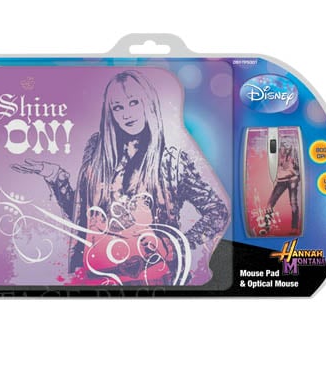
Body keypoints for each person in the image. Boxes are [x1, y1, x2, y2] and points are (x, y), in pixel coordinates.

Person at [12, 70, 230, 286]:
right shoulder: (97, 153)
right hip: (95, 279)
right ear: (110, 113)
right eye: (118, 107)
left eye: (134, 102)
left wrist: (174, 245)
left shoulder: (170, 161)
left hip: (153, 280)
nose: (127, 114)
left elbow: (217, 212)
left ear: (148, 104)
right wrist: (56, 178)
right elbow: (83, 217)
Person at [265, 137, 300, 234]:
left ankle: (294, 227)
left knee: (293, 203)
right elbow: (274, 166)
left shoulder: (294, 153)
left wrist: (292, 170)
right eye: (284, 145)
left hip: (292, 179)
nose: (286, 147)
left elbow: (298, 170)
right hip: (281, 180)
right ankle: (266, 226)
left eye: (288, 145)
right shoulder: (277, 153)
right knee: (270, 203)